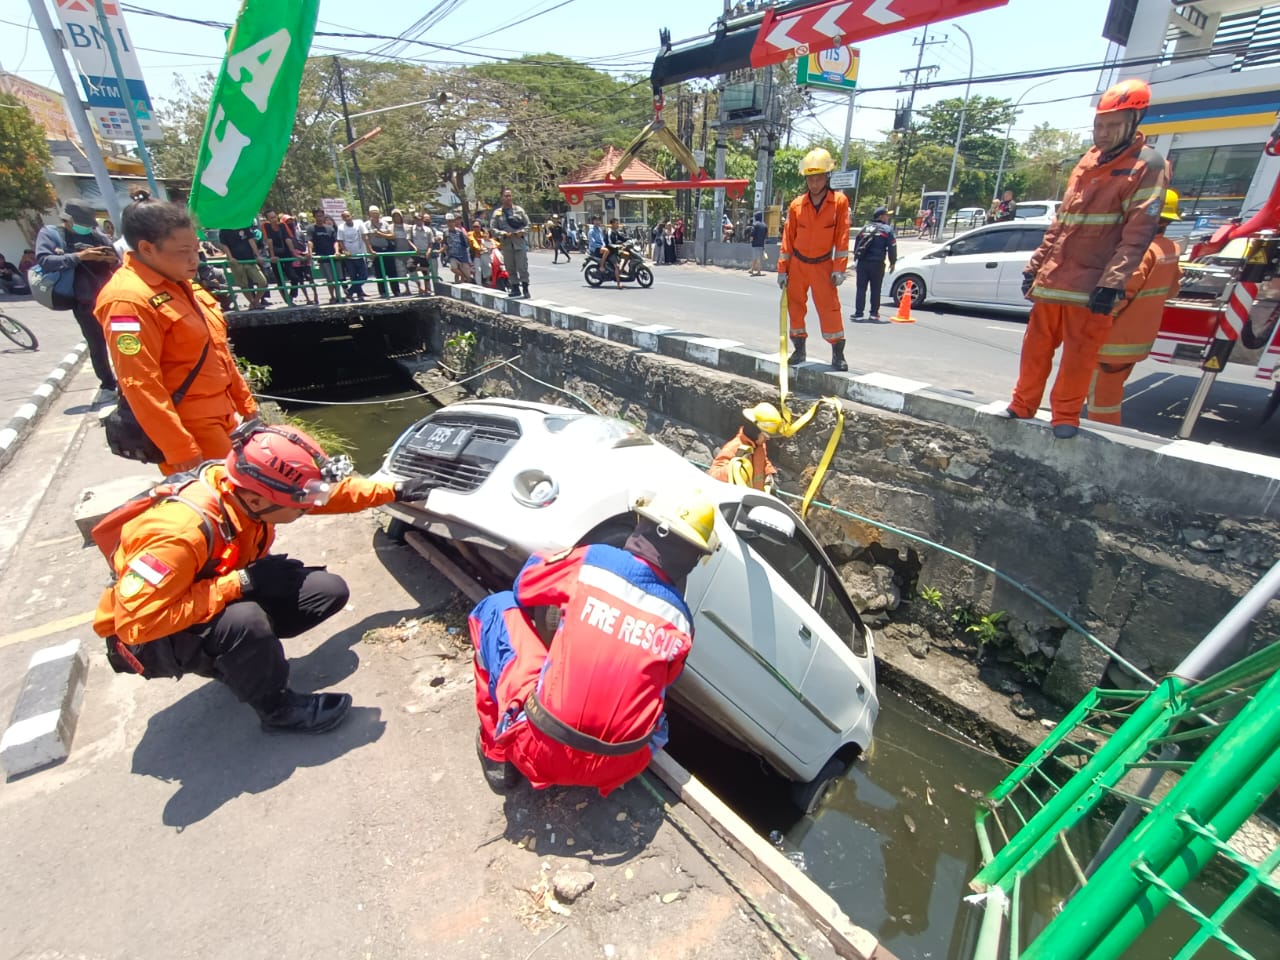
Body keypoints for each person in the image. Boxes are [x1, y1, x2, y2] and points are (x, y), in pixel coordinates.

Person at [94, 419, 436, 734]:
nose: (307, 509)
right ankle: (277, 710)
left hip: (207, 592)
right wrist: (241, 583)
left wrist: (396, 490)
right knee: (246, 621)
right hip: (152, 636)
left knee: (326, 591)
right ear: (258, 500)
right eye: (299, 506)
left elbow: (324, 497)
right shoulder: (178, 534)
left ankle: (241, 661)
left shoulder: (244, 488)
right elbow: (137, 624)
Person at [470, 490, 718, 795]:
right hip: (619, 767)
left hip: (540, 751)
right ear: (693, 557)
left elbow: (525, 588)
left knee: (496, 608)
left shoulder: (595, 561)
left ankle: (496, 754)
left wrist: (553, 557)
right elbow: (664, 680)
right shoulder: (681, 621)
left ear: (648, 528)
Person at [1001, 78, 1167, 439]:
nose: (1103, 133)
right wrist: (1036, 266)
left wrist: (1112, 282)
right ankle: (1022, 402)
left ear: (1134, 122)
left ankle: (1064, 416)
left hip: (1092, 282)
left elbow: (1137, 234)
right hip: (1055, 276)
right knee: (1036, 348)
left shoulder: (1146, 166)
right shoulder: (1088, 161)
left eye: (1111, 126)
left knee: (1079, 354)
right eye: (1099, 125)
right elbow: (1063, 222)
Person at [94, 200, 259, 474]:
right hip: (189, 426)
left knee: (248, 499)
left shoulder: (180, 284)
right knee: (224, 503)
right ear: (147, 249)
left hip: (222, 413)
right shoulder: (128, 301)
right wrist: (180, 449)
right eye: (184, 252)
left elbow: (217, 350)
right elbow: (140, 383)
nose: (195, 259)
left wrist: (245, 403)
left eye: (196, 249)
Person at [1086, 189, 1184, 426]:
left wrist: (1089, 327)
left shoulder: (1141, 252)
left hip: (1111, 342)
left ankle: (1104, 440)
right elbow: (1172, 289)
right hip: (1134, 341)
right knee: (1104, 392)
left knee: (1102, 400)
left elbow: (1118, 297)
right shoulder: (1169, 249)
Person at [36, 199, 120, 397]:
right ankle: (108, 385)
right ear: (68, 219)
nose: (85, 228)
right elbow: (44, 260)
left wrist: (109, 259)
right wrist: (80, 257)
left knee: (123, 342)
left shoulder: (97, 235)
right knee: (97, 344)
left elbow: (117, 260)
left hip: (110, 298)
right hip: (83, 301)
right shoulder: (51, 234)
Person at [777, 147, 851, 371]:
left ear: (827, 177)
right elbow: (787, 239)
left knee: (829, 308)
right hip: (798, 264)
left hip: (822, 265)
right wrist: (783, 269)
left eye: (818, 178)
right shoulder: (797, 205)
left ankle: (837, 353)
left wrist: (839, 268)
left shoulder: (839, 202)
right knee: (796, 308)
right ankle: (799, 350)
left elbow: (842, 237)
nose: (814, 183)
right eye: (810, 178)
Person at [849, 206, 897, 323]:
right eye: (886, 215)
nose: (888, 217)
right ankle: (874, 314)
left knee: (861, 289)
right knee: (876, 289)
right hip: (877, 264)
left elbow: (857, 246)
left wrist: (857, 259)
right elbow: (892, 248)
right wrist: (892, 262)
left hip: (863, 263)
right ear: (881, 216)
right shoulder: (887, 230)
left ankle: (858, 313)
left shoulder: (865, 228)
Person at [490, 188, 531, 299]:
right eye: (505, 196)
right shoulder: (497, 213)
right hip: (507, 244)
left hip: (519, 243)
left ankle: (525, 288)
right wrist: (502, 233)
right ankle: (515, 288)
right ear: (501, 197)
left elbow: (528, 225)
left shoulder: (519, 210)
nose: (508, 198)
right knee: (510, 267)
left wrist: (522, 232)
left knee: (522, 267)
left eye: (509, 196)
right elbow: (493, 229)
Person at [216, 224, 268, 310]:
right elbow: (225, 245)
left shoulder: (244, 226)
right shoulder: (224, 230)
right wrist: (230, 257)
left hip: (249, 260)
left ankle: (255, 302)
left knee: (262, 281)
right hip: (236, 262)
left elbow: (251, 241)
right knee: (243, 284)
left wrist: (257, 255)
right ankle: (253, 303)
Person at [307, 210, 342, 303]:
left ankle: (339, 296)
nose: (320, 218)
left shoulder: (330, 228)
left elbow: (335, 241)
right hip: (323, 258)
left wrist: (337, 251)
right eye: (318, 216)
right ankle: (332, 296)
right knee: (329, 279)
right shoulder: (311, 228)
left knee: (337, 278)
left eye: (321, 216)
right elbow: (310, 241)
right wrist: (310, 252)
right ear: (315, 217)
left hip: (333, 256)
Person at [335, 209, 370, 301]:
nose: (347, 218)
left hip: (361, 254)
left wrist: (370, 249)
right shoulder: (341, 227)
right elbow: (340, 241)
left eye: (348, 216)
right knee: (353, 277)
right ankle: (359, 294)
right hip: (349, 257)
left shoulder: (359, 223)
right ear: (342, 218)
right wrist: (345, 250)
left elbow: (365, 236)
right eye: (344, 217)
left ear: (351, 216)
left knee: (364, 276)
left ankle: (350, 291)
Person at [364, 205, 393, 298]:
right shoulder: (366, 225)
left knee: (391, 271)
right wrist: (370, 251)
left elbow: (392, 235)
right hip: (375, 250)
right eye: (373, 213)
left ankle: (396, 291)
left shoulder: (385, 223)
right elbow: (365, 238)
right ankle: (383, 292)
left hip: (386, 249)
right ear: (369, 214)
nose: (375, 214)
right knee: (379, 273)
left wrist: (381, 234)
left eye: (376, 212)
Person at [443, 213, 473, 282]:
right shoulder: (445, 232)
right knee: (453, 268)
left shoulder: (459, 231)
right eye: (448, 221)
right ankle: (463, 276)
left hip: (462, 255)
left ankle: (462, 281)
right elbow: (445, 243)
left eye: (451, 221)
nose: (450, 223)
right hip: (452, 255)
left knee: (466, 274)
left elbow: (465, 243)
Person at [749, 212, 768, 276]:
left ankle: (759, 272)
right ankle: (751, 269)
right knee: (755, 257)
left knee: (757, 258)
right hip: (761, 244)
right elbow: (765, 235)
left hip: (755, 244)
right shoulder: (764, 225)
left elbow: (752, 234)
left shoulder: (755, 224)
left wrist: (751, 240)